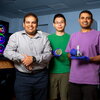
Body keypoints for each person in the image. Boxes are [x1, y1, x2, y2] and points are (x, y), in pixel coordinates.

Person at [3, 12, 52, 100]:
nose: (30, 25)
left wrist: (33, 59)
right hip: (22, 78)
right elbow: (7, 52)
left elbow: (48, 55)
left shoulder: (44, 38)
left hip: (41, 77)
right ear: (23, 24)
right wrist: (23, 58)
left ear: (37, 24)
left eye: (33, 22)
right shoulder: (15, 36)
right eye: (28, 22)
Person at [66, 10, 100, 100]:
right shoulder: (73, 36)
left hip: (91, 79)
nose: (85, 20)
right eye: (82, 18)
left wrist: (89, 59)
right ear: (79, 20)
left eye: (88, 18)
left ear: (91, 21)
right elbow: (68, 55)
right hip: (74, 79)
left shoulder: (98, 35)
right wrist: (71, 55)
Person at [48, 14, 70, 100]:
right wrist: (51, 54)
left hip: (66, 72)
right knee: (52, 97)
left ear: (65, 23)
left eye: (61, 22)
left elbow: (72, 55)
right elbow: (44, 55)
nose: (59, 24)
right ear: (53, 24)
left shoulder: (70, 37)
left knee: (65, 97)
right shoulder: (48, 38)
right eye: (57, 22)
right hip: (52, 71)